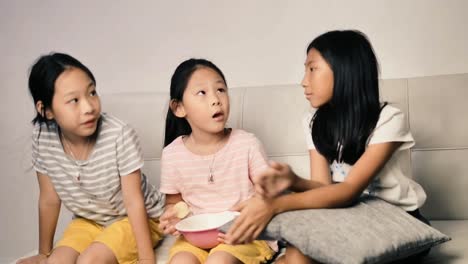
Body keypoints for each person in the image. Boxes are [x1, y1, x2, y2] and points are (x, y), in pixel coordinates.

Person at [222, 30, 429, 263]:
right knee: (297, 251)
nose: (303, 81)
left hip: (398, 222)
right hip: (351, 217)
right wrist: (293, 181)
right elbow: (323, 186)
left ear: (344, 71)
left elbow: (349, 191)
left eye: (312, 69)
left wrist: (276, 204)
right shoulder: (313, 121)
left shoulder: (388, 118)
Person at [17, 53, 165, 264]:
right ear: (46, 110)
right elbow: (49, 199)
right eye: (74, 100)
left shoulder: (118, 134)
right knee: (56, 262)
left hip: (136, 219)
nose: (88, 107)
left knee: (90, 261)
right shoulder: (43, 137)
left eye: (92, 93)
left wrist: (146, 258)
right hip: (89, 220)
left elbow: (134, 202)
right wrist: (45, 253)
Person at [159, 58, 275, 264]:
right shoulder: (172, 154)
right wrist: (174, 215)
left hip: (243, 235)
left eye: (220, 89)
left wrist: (254, 207)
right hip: (195, 239)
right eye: (202, 93)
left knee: (218, 261)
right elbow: (174, 202)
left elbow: (269, 195)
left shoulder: (246, 143)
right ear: (179, 108)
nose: (216, 99)